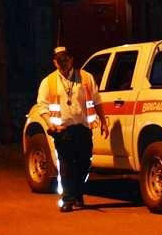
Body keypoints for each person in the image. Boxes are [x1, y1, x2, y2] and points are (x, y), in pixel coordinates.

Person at [36, 46, 109, 212]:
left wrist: (103, 122)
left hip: (83, 128)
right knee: (66, 165)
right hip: (62, 130)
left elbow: (97, 100)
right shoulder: (48, 82)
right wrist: (49, 123)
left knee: (84, 163)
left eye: (65, 59)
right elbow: (42, 106)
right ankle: (68, 199)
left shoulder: (86, 77)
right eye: (59, 60)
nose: (63, 63)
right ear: (55, 62)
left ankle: (77, 192)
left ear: (71, 59)